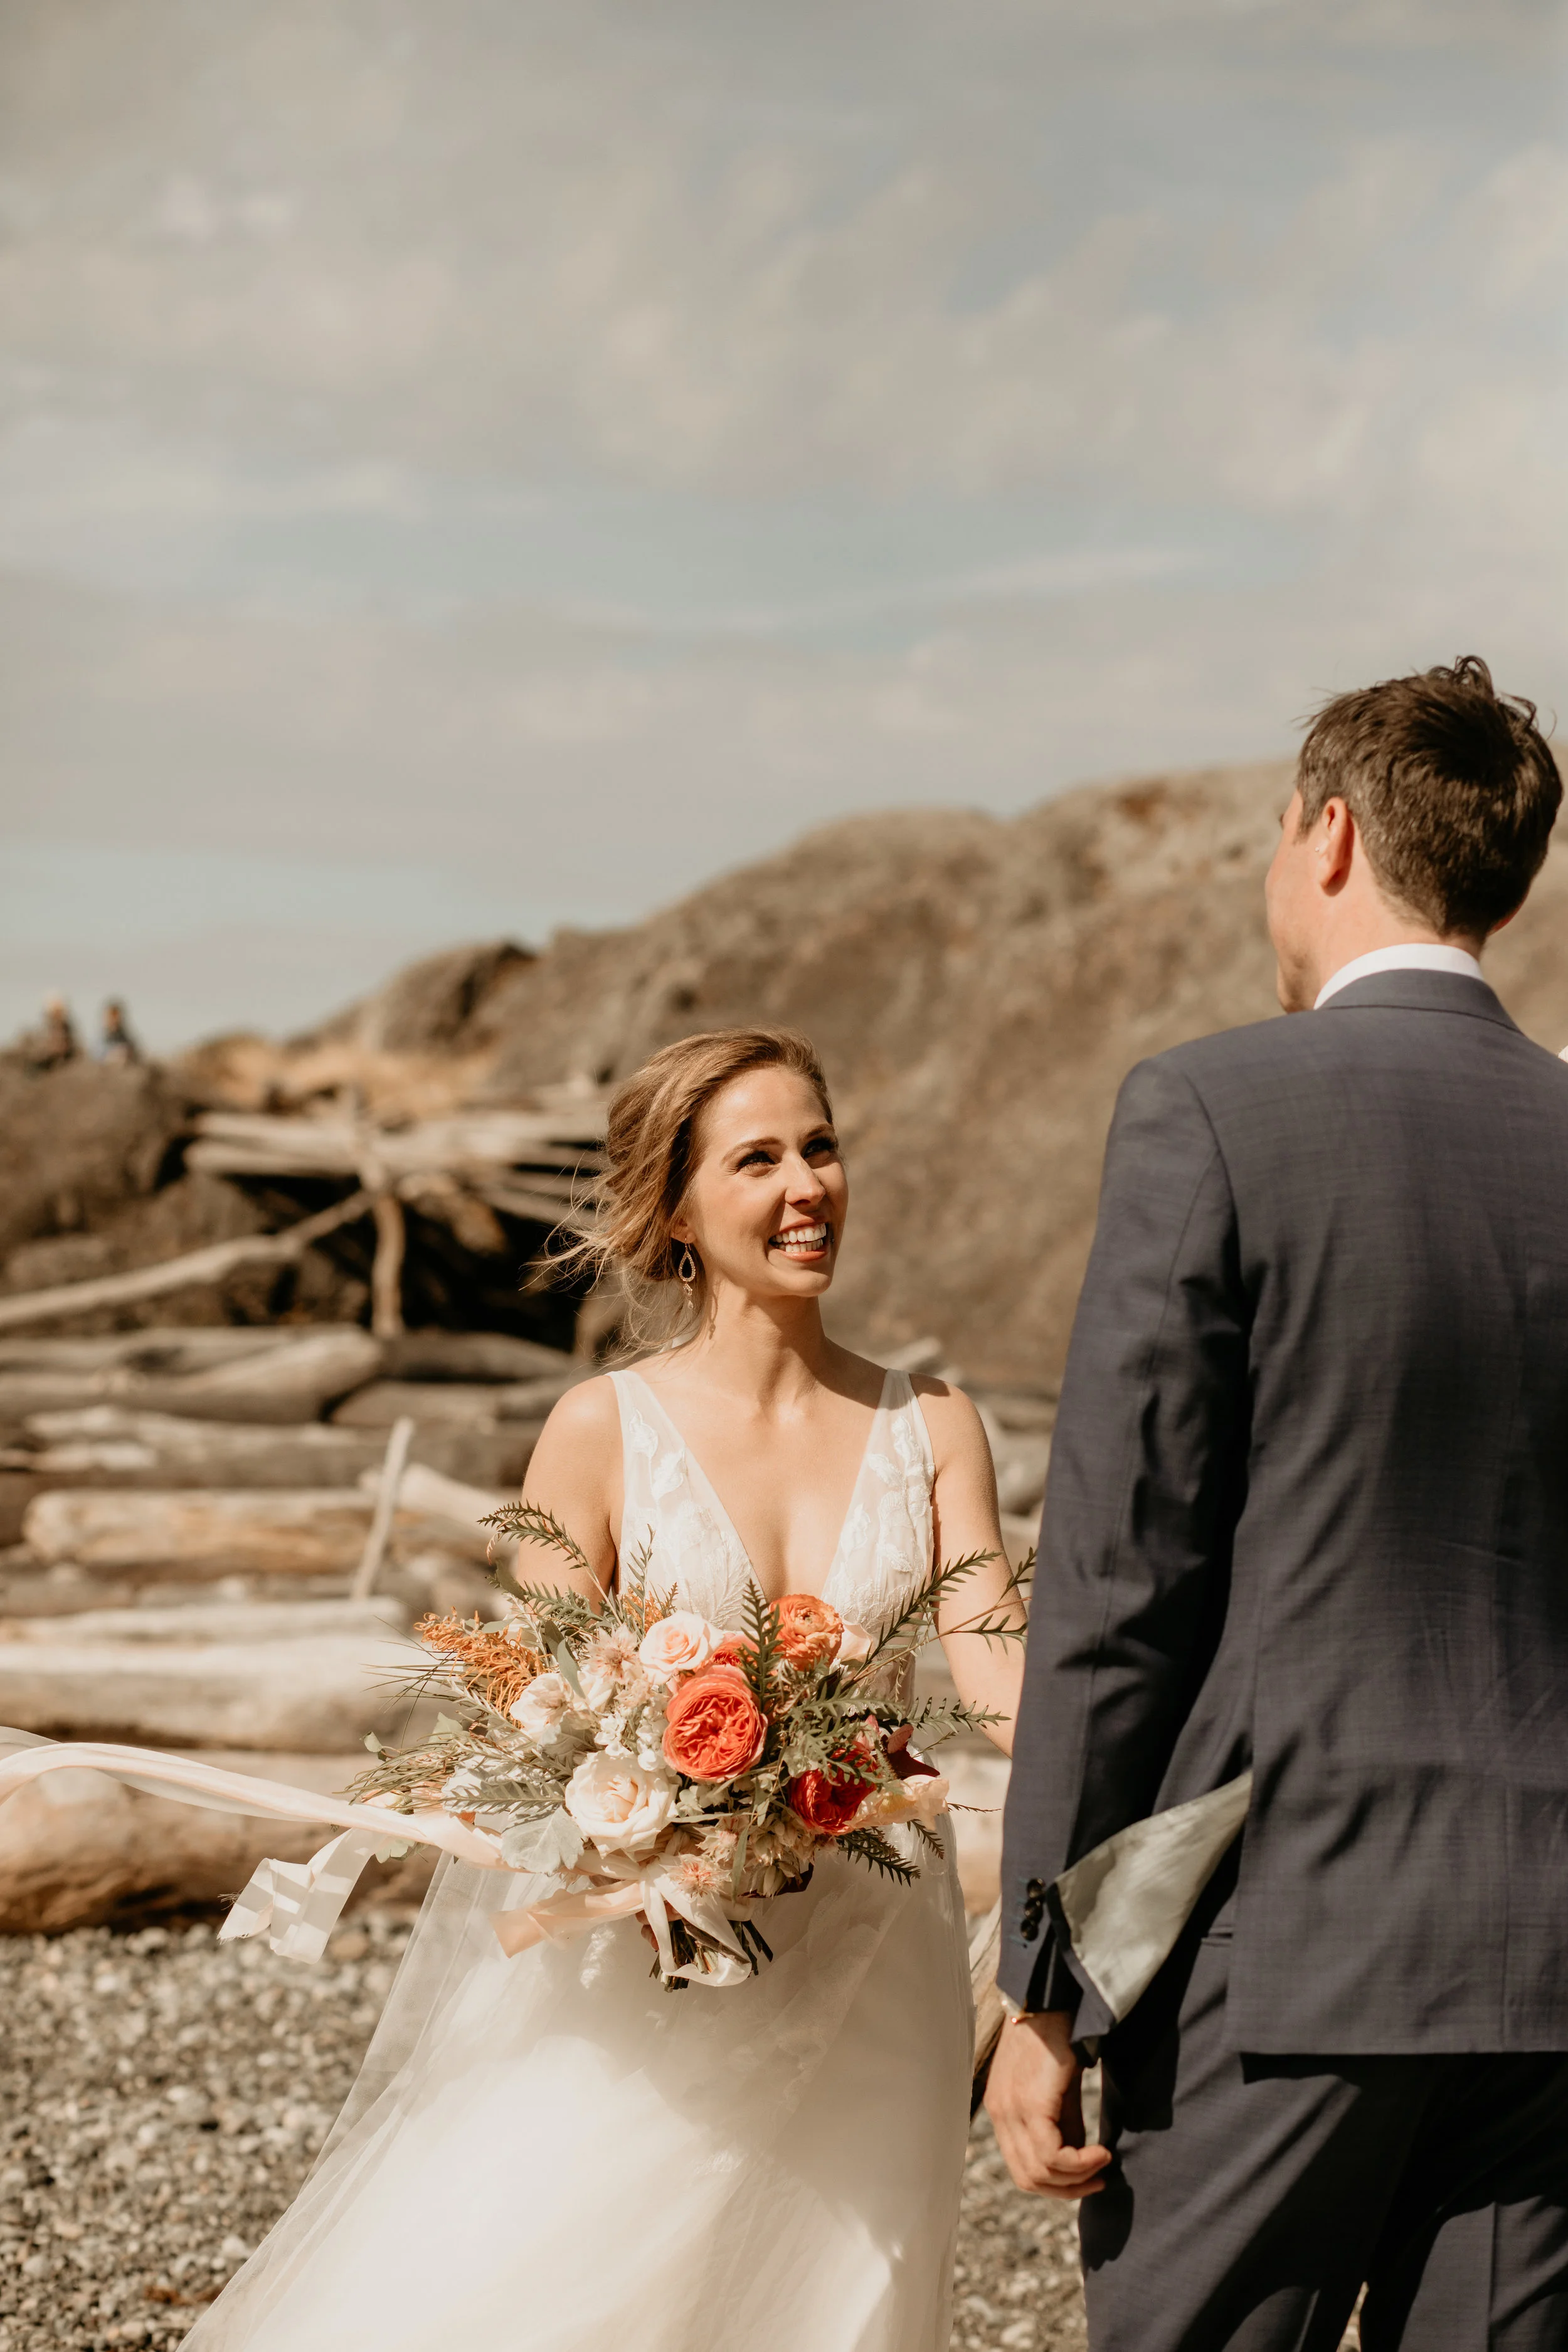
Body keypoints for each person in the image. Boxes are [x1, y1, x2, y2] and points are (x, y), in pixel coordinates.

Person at [184, 1025, 1024, 2352]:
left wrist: (1179, 1739)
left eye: (819, 1147)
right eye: (757, 1159)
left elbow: (999, 1671)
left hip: (876, 1948)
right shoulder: (599, 1428)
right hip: (648, 1949)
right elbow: (535, 1713)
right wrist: (652, 1834)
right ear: (677, 1209)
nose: (806, 1185)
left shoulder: (936, 1427)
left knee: (837, 2300)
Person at [988, 655, 1568, 2349]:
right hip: (1548, 1950)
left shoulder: (1211, 1110)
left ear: (1325, 837)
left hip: (1282, 1938)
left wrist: (1043, 1979)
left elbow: (1118, 1580)